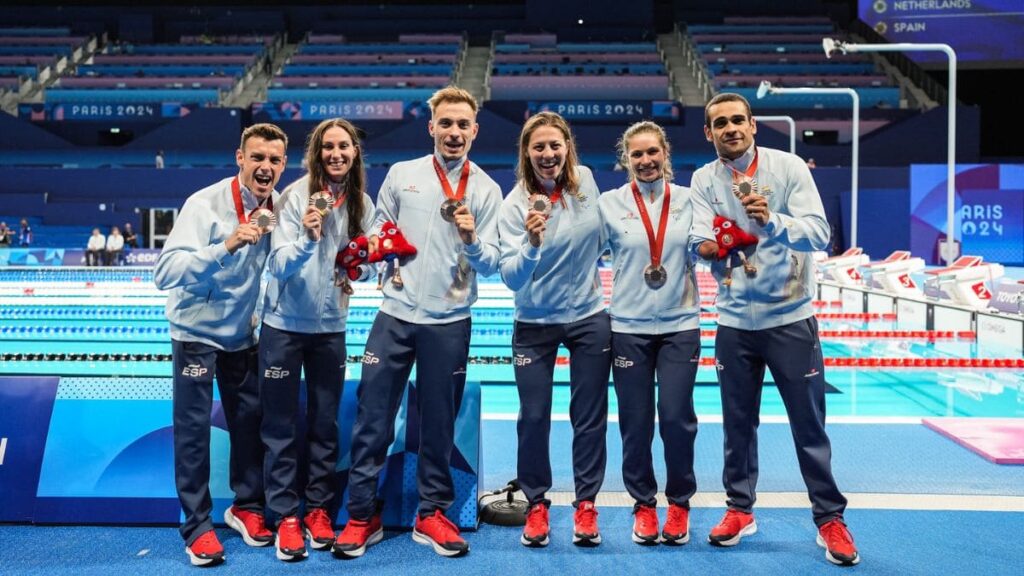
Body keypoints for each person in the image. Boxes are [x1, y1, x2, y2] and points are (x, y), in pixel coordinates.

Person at [690, 93, 859, 566]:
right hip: (734, 323)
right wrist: (713, 243)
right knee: (737, 425)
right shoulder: (705, 179)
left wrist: (772, 221)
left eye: (738, 121)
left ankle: (829, 518)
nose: (730, 129)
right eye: (719, 123)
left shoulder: (787, 169)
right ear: (708, 133)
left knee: (809, 427)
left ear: (752, 126)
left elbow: (820, 233)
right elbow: (702, 238)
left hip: (790, 319)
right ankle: (739, 509)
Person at [334, 86, 501, 559]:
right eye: (445, 123)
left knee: (437, 425)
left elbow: (491, 264)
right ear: (431, 127)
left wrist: (470, 239)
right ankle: (363, 515)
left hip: (449, 321)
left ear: (474, 130)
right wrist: (356, 268)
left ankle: (433, 512)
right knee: (372, 420)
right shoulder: (402, 176)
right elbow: (374, 240)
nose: (453, 132)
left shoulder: (487, 189)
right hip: (394, 316)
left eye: (461, 124)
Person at [153, 123, 288, 567]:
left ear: (283, 165)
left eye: (273, 160)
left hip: (242, 337)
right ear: (240, 158)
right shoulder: (205, 204)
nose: (264, 167)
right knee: (193, 434)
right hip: (195, 335)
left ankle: (247, 508)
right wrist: (225, 245)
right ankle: (196, 526)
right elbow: (165, 273)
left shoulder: (280, 209)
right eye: (257, 158)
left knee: (249, 424)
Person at [259, 118, 375, 562]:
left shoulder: (360, 201)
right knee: (280, 424)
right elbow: (277, 264)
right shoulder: (293, 196)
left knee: (325, 425)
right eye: (328, 147)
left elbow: (363, 261)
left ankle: (319, 510)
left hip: (331, 329)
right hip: (285, 324)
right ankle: (286, 515)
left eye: (344, 146)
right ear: (317, 152)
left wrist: (356, 269)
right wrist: (309, 239)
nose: (336, 154)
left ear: (354, 152)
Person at [497, 112, 610, 548]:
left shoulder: (586, 183)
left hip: (588, 318)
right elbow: (509, 277)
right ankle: (537, 503)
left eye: (555, 146)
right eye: (539, 147)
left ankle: (586, 504)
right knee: (534, 417)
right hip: (533, 324)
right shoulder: (513, 206)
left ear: (568, 147)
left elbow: (602, 239)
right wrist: (531, 243)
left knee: (589, 417)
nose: (548, 155)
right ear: (527, 152)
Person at [599, 121, 700, 547]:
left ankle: (679, 502)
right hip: (627, 327)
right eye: (636, 154)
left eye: (652, 152)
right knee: (635, 423)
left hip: (680, 325)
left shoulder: (692, 200)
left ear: (665, 153)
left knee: (677, 419)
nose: (645, 161)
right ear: (626, 159)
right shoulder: (608, 204)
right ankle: (643, 503)